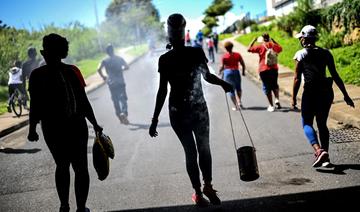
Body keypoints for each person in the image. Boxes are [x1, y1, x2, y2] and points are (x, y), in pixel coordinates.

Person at [149, 13, 233, 207]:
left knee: (190, 152)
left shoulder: (165, 59)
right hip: (198, 109)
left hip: (177, 112)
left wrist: (154, 119)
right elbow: (207, 77)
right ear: (184, 34)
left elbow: (163, 91)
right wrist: (224, 84)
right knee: (204, 147)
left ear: (169, 36)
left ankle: (197, 193)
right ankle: (208, 185)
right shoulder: (195, 53)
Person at [27, 33, 103, 212]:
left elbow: (35, 106)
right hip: (76, 126)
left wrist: (32, 129)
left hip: (52, 128)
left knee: (62, 165)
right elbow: (83, 102)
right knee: (80, 168)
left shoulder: (37, 75)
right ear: (63, 52)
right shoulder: (72, 71)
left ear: (44, 53)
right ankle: (81, 208)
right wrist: (94, 123)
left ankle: (64, 206)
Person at [292, 25, 355, 168]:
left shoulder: (300, 54)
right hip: (326, 93)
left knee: (307, 123)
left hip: (310, 93)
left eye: (301, 37)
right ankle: (325, 158)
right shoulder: (326, 53)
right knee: (322, 124)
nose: (300, 40)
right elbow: (335, 75)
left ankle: (318, 150)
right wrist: (346, 95)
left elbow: (296, 78)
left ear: (304, 38)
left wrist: (293, 98)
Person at [248, 33, 282, 112]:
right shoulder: (273, 45)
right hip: (274, 68)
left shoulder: (260, 46)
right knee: (275, 85)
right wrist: (274, 41)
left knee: (267, 87)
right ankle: (277, 99)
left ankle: (271, 105)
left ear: (262, 39)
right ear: (269, 38)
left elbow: (249, 49)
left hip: (263, 69)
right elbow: (280, 48)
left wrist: (253, 40)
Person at [97, 44, 130, 124]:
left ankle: (120, 116)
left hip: (111, 83)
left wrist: (104, 77)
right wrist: (121, 69)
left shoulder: (104, 61)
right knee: (123, 98)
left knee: (115, 100)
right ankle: (124, 113)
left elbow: (98, 69)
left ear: (107, 52)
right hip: (120, 82)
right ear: (113, 50)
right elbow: (127, 67)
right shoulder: (119, 59)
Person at [219, 41, 246, 110]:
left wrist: (219, 72)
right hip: (236, 72)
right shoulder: (237, 55)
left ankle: (235, 105)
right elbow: (243, 64)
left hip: (228, 73)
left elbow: (222, 67)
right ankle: (239, 101)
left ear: (225, 48)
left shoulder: (224, 56)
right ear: (232, 47)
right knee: (238, 88)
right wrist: (243, 72)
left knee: (231, 90)